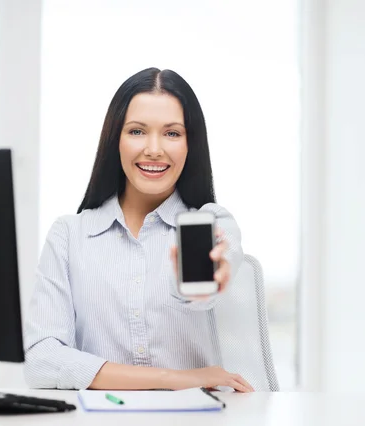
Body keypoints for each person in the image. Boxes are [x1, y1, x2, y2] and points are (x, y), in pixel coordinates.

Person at [24, 67, 254, 392]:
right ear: (114, 138)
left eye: (172, 133)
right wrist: (173, 379)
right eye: (137, 131)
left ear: (191, 144)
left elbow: (222, 257)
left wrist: (212, 274)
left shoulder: (212, 222)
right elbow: (41, 361)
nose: (154, 149)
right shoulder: (68, 236)